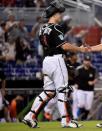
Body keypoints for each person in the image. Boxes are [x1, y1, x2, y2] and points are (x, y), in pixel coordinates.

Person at [22, 0, 87, 128]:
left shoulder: (42, 28)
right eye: (59, 14)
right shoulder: (55, 27)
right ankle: (66, 120)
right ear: (55, 14)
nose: (60, 16)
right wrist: (80, 49)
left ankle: (29, 116)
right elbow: (65, 46)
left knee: (48, 92)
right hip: (56, 60)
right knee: (62, 90)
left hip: (46, 61)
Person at [75, 55, 98, 120]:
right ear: (83, 61)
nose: (87, 62)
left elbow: (97, 78)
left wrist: (93, 82)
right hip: (80, 89)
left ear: (90, 61)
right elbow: (75, 78)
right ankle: (76, 117)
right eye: (86, 61)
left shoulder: (94, 69)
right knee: (81, 104)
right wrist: (76, 84)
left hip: (90, 90)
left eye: (88, 61)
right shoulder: (79, 69)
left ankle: (84, 118)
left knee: (88, 107)